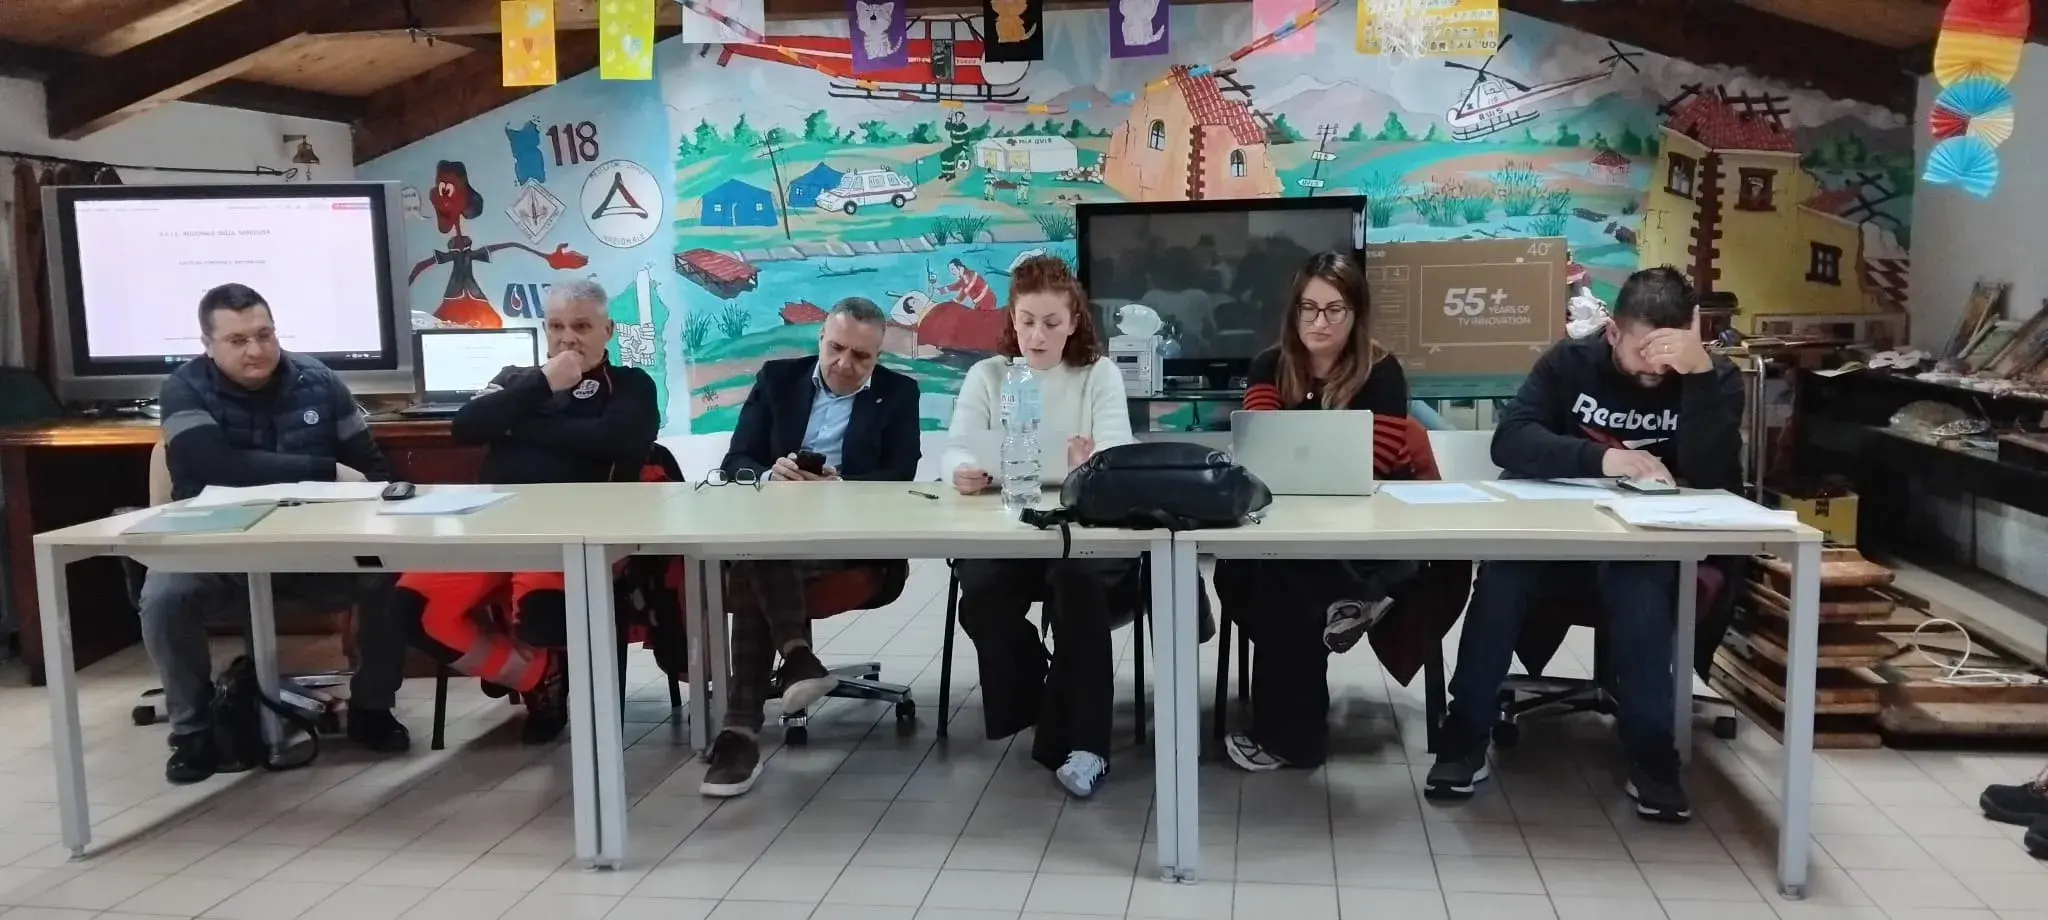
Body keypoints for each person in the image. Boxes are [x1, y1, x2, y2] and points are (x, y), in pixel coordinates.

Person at [1426, 266, 1742, 823]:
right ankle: (1464, 736)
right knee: (1503, 576)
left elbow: (1713, 474)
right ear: (1613, 332)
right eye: (1642, 350)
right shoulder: (1570, 363)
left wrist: (1698, 377)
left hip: (1646, 543)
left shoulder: (1713, 379)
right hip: (1560, 541)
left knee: (1639, 587)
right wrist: (1604, 459)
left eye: (1668, 351)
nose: (1655, 367)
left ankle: (1653, 757)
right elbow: (1511, 440)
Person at [144, 283, 413, 784]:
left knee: (391, 576)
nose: (256, 350)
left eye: (264, 334)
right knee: (164, 595)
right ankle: (194, 734)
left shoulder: (319, 381)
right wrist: (322, 470)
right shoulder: (183, 387)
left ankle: (373, 709)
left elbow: (370, 469)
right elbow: (212, 464)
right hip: (218, 555)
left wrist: (371, 498)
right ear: (208, 345)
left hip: (314, 553)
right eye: (238, 340)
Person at [390, 280, 659, 744]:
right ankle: (535, 676)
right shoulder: (518, 379)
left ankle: (565, 693)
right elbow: (466, 426)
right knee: (410, 610)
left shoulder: (632, 385)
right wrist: (543, 385)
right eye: (556, 326)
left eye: (581, 326)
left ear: (608, 330)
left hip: (574, 537)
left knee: (542, 616)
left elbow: (613, 441)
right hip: (491, 530)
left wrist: (519, 425)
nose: (568, 338)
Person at [702, 297, 921, 797]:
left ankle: (741, 733)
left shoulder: (898, 393)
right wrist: (768, 475)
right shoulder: (777, 380)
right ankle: (797, 658)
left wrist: (839, 487)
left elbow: (899, 476)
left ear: (879, 355)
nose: (845, 364)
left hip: (852, 545)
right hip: (776, 528)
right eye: (836, 348)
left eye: (861, 356)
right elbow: (736, 460)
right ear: (820, 339)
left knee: (751, 561)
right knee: (761, 550)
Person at [1217, 251, 1420, 773]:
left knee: (1282, 586)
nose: (1319, 322)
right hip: (1285, 529)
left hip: (1359, 531)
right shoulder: (1269, 365)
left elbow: (1371, 465)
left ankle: (1291, 739)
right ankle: (1350, 602)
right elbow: (1262, 456)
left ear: (1356, 314)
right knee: (1257, 578)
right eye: (1308, 308)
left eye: (1334, 310)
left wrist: (1301, 469)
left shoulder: (1382, 371)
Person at [944, 255, 1136, 798]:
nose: (1037, 335)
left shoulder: (1098, 374)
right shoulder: (989, 375)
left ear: (1073, 321)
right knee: (980, 596)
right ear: (1013, 318)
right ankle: (1048, 698)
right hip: (1010, 525)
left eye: (1052, 323)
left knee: (1079, 587)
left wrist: (1091, 463)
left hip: (1085, 529)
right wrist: (961, 470)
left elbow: (1119, 449)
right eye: (1027, 321)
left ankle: (1087, 745)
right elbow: (956, 446)